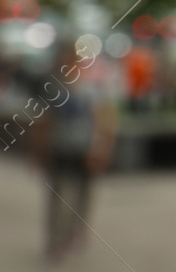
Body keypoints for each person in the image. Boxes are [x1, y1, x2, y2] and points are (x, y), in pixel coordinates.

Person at [33, 38, 117, 265]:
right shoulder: (57, 88)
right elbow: (45, 121)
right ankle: (58, 241)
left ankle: (73, 233)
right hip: (61, 147)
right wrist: (40, 148)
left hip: (84, 148)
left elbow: (103, 120)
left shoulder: (90, 87)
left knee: (81, 195)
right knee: (59, 197)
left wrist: (101, 148)